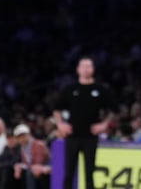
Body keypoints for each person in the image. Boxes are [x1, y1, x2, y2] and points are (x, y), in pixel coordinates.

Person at [52, 56, 117, 189]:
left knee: (89, 173)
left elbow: (113, 110)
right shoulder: (70, 89)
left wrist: (104, 124)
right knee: (68, 173)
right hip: (72, 136)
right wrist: (60, 124)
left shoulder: (100, 89)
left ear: (93, 69)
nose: (86, 69)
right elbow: (56, 109)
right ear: (78, 69)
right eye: (83, 66)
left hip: (90, 136)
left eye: (89, 66)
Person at [12, 124, 50, 189]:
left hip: (46, 166)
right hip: (33, 167)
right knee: (18, 170)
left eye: (23, 136)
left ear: (29, 134)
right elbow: (26, 162)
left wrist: (24, 166)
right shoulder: (22, 147)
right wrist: (19, 166)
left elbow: (38, 162)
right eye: (19, 137)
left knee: (29, 172)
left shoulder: (38, 144)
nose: (21, 139)